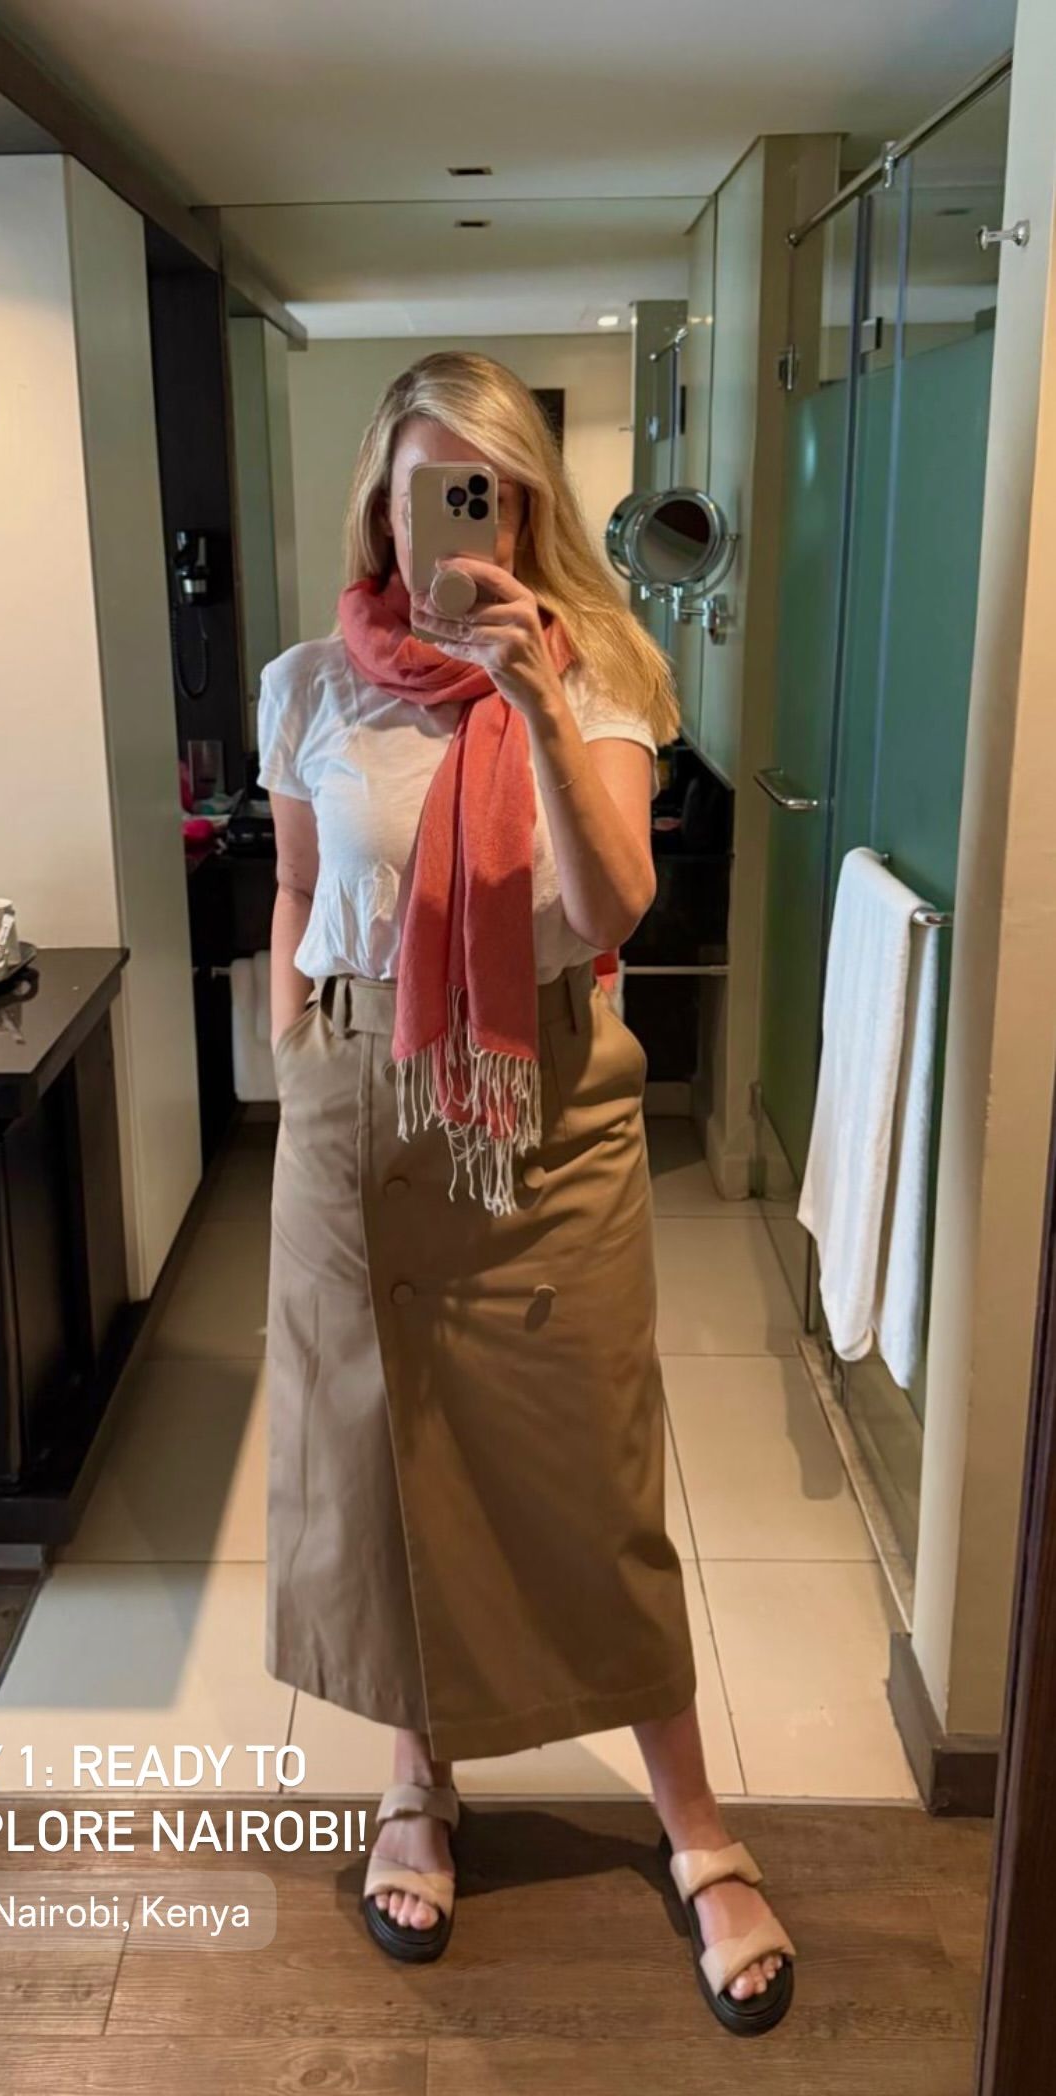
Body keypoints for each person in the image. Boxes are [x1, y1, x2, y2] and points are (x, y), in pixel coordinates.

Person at [257, 350, 794, 2033]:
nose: (453, 521)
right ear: (381, 501)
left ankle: (693, 1824)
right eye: (427, 487)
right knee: (384, 1455)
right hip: (357, 1108)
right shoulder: (306, 687)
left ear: (526, 511)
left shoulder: (603, 665)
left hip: (544, 1111)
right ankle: (416, 1781)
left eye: (483, 491)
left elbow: (612, 902)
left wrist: (537, 700)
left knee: (590, 1471)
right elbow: (295, 889)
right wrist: (293, 1046)